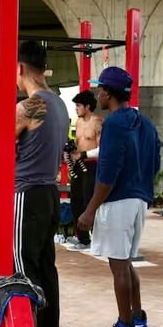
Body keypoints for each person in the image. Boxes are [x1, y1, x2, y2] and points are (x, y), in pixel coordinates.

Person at [76, 67, 160, 327]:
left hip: (118, 201)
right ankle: (138, 318)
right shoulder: (145, 123)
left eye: (100, 89)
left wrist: (90, 210)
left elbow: (108, 172)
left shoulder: (113, 124)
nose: (97, 93)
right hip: (139, 201)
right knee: (125, 261)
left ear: (108, 94)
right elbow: (155, 165)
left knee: (118, 266)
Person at [12, 40, 70, 327]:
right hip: (48, 192)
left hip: (28, 193)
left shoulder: (32, 105)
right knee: (46, 267)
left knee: (21, 266)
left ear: (20, 68)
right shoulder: (59, 103)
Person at [66, 91, 103, 251]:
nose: (76, 108)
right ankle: (83, 238)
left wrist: (85, 154)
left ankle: (99, 240)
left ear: (87, 106)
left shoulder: (97, 122)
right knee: (76, 201)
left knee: (90, 202)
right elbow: (78, 142)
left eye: (79, 105)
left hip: (92, 165)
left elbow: (102, 148)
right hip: (78, 166)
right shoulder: (79, 122)